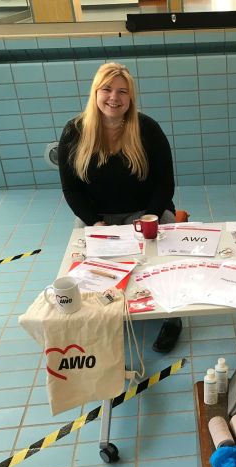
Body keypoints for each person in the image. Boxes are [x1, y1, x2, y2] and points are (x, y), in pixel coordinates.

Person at [57, 62, 182, 353]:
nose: (114, 97)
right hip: (98, 218)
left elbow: (165, 183)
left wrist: (148, 219)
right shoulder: (74, 131)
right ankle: (102, 314)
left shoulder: (147, 128)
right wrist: (94, 223)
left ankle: (173, 317)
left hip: (145, 212)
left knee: (164, 263)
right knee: (87, 268)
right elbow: (70, 188)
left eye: (122, 92)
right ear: (96, 92)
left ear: (131, 97)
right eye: (107, 90)